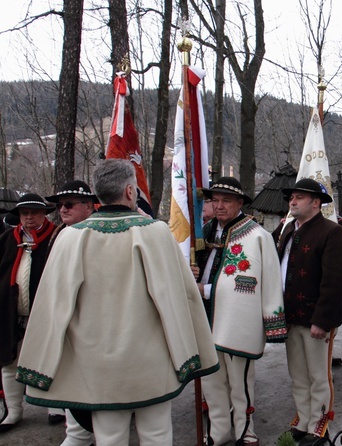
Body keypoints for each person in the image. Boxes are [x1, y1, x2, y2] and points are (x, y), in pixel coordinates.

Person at [15, 159, 219, 445]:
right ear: (129, 191)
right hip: (151, 363)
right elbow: (178, 298)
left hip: (98, 367)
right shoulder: (156, 232)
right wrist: (193, 352)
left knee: (109, 438)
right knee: (157, 434)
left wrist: (40, 364)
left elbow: (52, 303)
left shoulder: (70, 238)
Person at [196, 177, 288, 446]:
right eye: (215, 200)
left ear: (239, 203)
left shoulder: (257, 235)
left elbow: (268, 279)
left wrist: (273, 321)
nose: (219, 205)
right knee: (212, 385)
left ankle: (245, 428)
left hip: (238, 323)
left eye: (226, 200)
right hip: (206, 321)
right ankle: (219, 430)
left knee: (241, 383)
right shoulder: (203, 233)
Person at [277, 178, 342, 446]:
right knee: (297, 374)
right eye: (291, 197)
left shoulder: (331, 231)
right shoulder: (288, 230)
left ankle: (320, 426)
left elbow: (335, 280)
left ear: (316, 203)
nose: (292, 201)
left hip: (315, 318)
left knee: (319, 375)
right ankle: (303, 419)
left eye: (299, 197)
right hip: (291, 316)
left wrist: (322, 319)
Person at [44, 180, 98, 446]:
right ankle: (76, 432)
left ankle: (82, 434)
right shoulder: (60, 234)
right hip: (63, 324)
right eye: (59, 205)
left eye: (68, 205)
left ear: (88, 207)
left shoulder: (98, 236)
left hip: (89, 327)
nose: (62, 210)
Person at [0, 193, 56, 432]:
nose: (30, 217)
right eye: (25, 213)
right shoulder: (7, 239)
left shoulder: (57, 238)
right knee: (9, 360)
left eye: (35, 212)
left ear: (44, 214)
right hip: (12, 312)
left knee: (52, 359)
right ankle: (13, 411)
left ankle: (56, 407)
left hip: (46, 311)